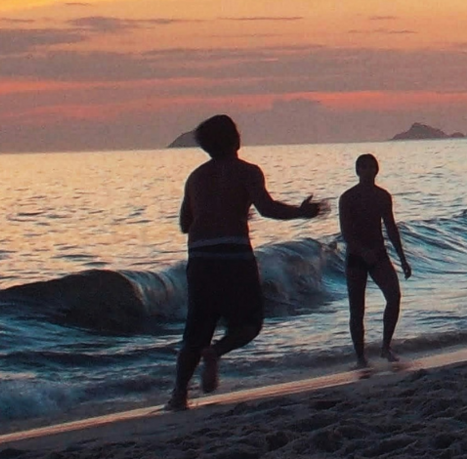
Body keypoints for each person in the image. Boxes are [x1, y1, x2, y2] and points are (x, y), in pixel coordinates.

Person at [170, 114, 322, 411]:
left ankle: (178, 395)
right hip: (234, 255)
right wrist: (301, 213)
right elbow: (268, 208)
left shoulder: (196, 177)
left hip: (200, 256)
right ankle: (216, 352)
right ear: (235, 139)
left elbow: (185, 224)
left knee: (195, 331)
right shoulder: (248, 171)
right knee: (250, 324)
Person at [339, 153, 412, 367]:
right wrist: (362, 251)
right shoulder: (348, 197)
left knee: (394, 296)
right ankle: (360, 357)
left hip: (379, 254)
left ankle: (385, 347)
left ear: (377, 170)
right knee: (357, 309)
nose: (369, 171)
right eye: (364, 167)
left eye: (372, 167)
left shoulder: (382, 196)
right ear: (357, 170)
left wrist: (403, 259)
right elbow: (346, 233)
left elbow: (390, 228)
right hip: (355, 257)